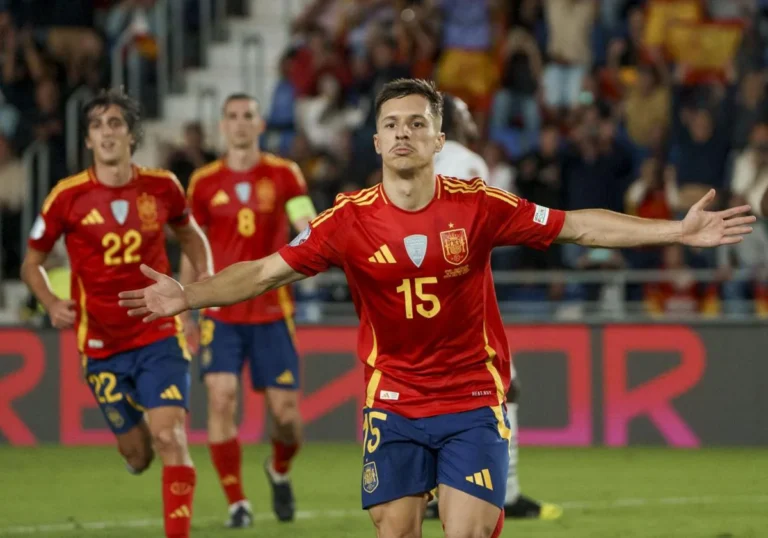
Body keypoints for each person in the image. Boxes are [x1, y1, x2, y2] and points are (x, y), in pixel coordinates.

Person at [118, 79, 754, 538]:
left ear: (439, 138)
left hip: (472, 398)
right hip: (392, 401)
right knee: (395, 531)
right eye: (393, 123)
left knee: (468, 532)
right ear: (375, 140)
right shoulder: (347, 221)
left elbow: (576, 227)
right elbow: (262, 271)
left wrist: (675, 232)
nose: (404, 133)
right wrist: (189, 293)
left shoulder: (478, 204)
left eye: (418, 122)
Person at [21, 88, 212, 538]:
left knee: (171, 437)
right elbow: (32, 262)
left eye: (115, 124)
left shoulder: (163, 185)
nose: (107, 132)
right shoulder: (66, 197)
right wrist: (51, 302)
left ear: (132, 134)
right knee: (138, 455)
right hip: (101, 344)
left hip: (159, 332)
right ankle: (136, 444)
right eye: (97, 125)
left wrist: (203, 286)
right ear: (87, 139)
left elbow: (190, 235)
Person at [179, 93, 316, 527]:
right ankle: (237, 502)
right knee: (221, 399)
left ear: (260, 125)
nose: (240, 124)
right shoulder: (202, 182)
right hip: (220, 313)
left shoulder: (284, 174)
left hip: (273, 310)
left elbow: (304, 224)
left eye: (248, 117)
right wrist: (184, 306)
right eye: (232, 116)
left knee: (287, 419)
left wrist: (311, 234)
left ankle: (279, 469)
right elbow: (192, 249)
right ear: (223, 126)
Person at [430, 93, 562, 521]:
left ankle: (436, 494)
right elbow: (464, 226)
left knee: (429, 393)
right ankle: (506, 492)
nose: (473, 121)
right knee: (505, 386)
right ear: (452, 121)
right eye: (467, 113)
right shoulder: (468, 161)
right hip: (458, 298)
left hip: (415, 297)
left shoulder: (412, 164)